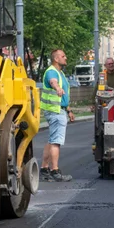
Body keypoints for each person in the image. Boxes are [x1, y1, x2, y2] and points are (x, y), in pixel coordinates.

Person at [40, 49, 75, 182]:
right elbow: (53, 81)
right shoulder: (52, 72)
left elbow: (64, 95)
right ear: (56, 59)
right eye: (63, 56)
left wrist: (69, 110)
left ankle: (44, 168)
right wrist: (57, 88)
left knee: (51, 140)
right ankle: (55, 170)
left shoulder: (60, 73)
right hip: (55, 111)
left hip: (58, 109)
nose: (65, 58)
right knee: (56, 142)